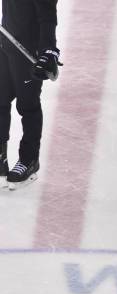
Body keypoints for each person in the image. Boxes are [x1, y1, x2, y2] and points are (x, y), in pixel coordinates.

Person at [0, 0, 60, 189]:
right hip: (5, 46)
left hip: (27, 53)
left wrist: (48, 52)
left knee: (28, 105)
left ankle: (29, 160)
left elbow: (48, 18)